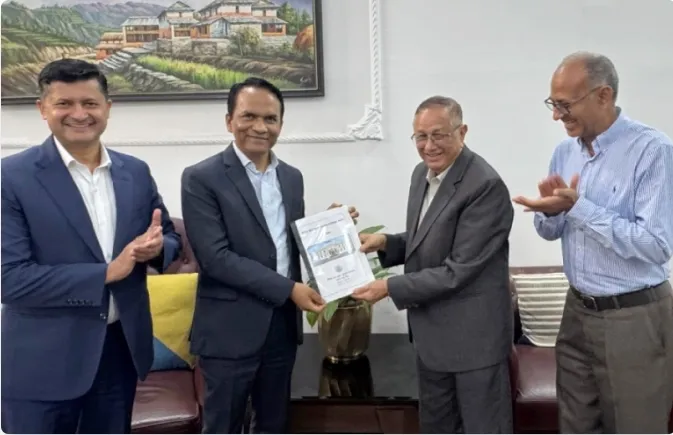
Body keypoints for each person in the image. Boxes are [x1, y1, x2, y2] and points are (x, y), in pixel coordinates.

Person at [1, 59, 182, 434]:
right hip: (42, 364)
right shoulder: (11, 177)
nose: (79, 114)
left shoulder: (135, 171)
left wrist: (156, 249)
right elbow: (10, 279)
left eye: (90, 103)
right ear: (42, 109)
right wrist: (107, 273)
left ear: (108, 108)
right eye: (64, 103)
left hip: (118, 356)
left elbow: (167, 235)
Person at [181, 77, 358, 434]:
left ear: (280, 124)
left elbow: (283, 242)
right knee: (223, 427)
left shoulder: (291, 178)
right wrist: (288, 289)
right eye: (249, 116)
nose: (260, 127)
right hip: (229, 329)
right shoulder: (201, 178)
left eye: (270, 118)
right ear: (229, 121)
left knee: (274, 424)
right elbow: (215, 258)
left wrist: (326, 227)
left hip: (281, 326)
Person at [513, 51, 673, 433]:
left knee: (636, 427)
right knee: (575, 424)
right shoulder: (564, 152)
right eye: (553, 104)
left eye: (565, 105)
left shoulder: (651, 150)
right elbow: (551, 231)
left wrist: (579, 207)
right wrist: (550, 214)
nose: (557, 115)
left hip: (633, 317)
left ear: (603, 95)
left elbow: (656, 245)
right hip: (577, 312)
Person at [352, 96, 515, 433]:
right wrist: (386, 243)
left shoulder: (485, 186)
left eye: (438, 135)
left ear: (462, 132)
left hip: (474, 343)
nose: (429, 146)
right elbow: (429, 237)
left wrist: (389, 287)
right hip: (431, 338)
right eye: (421, 136)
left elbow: (459, 270)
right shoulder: (422, 174)